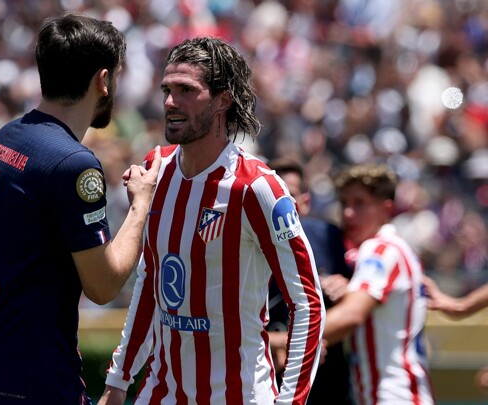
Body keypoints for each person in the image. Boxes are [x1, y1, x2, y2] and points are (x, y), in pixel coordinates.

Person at [99, 36, 325, 405]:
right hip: (162, 393)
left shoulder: (257, 188)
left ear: (223, 100)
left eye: (186, 90)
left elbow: (307, 303)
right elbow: (151, 280)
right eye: (167, 90)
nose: (170, 102)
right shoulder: (155, 170)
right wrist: (118, 380)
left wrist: (291, 402)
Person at [0, 13, 162, 404]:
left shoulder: (7, 136)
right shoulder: (73, 163)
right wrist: (142, 204)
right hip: (35, 380)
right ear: (103, 80)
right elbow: (103, 285)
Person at [322, 163, 434, 405]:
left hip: (392, 396)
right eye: (344, 203)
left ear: (387, 208)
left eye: (360, 203)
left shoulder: (379, 249)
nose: (348, 213)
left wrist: (281, 341)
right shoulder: (394, 249)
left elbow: (351, 315)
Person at [265, 157, 353, 405]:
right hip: (266, 383)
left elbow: (359, 300)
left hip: (327, 383)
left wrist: (347, 286)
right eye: (272, 195)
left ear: (305, 202)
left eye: (290, 195)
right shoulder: (241, 247)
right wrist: (284, 343)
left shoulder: (329, 237)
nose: (280, 203)